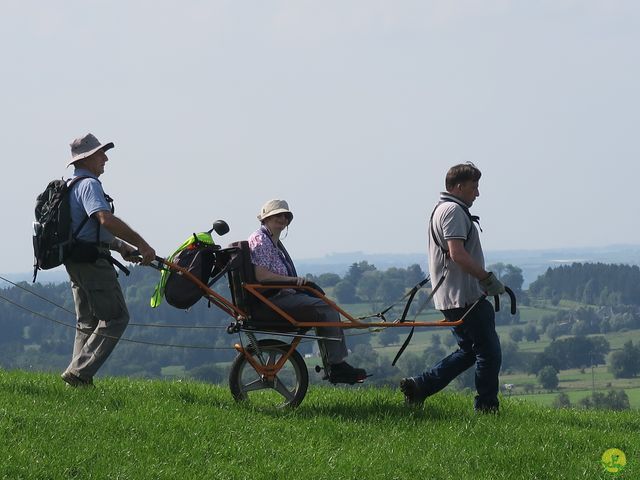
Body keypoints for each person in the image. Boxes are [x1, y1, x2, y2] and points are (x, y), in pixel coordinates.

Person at [400, 162, 505, 412]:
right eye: (474, 187)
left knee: (469, 351)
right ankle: (487, 407)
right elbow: (456, 253)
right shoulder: (453, 211)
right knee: (489, 354)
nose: (477, 193)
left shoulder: (442, 209)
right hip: (465, 296)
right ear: (459, 187)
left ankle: (421, 386)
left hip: (452, 296)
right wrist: (487, 278)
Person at [60, 133, 156, 387]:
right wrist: (141, 244)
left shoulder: (70, 186)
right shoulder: (89, 185)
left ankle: (77, 380)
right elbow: (105, 219)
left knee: (87, 321)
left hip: (75, 259)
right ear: (88, 158)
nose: (106, 158)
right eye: (101, 153)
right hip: (92, 261)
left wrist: (120, 246)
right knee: (116, 318)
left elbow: (86, 227)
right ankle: (79, 373)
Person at [248, 199, 367, 384]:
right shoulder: (261, 239)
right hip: (272, 300)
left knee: (326, 307)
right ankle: (336, 365)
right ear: (266, 218)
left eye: (285, 215)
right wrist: (294, 281)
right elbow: (262, 276)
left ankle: (334, 364)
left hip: (280, 296)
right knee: (326, 309)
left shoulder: (272, 241)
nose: (282, 218)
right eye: (277, 215)